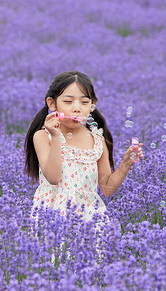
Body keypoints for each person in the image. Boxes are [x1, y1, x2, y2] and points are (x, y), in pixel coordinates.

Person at [24, 71, 143, 222]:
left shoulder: (98, 140)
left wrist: (125, 165)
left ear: (93, 106)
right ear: (52, 104)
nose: (77, 108)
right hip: (52, 215)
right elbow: (53, 178)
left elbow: (106, 189)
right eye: (68, 102)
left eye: (84, 102)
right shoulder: (43, 136)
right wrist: (55, 137)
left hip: (89, 218)